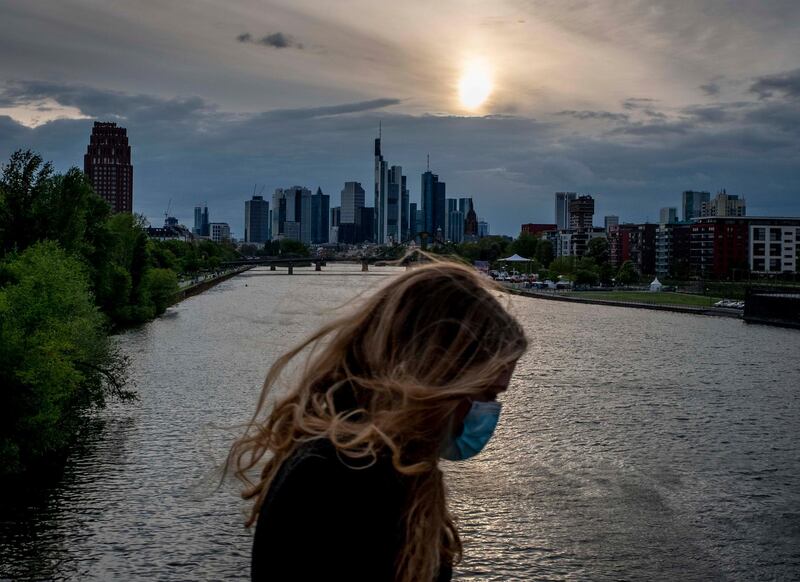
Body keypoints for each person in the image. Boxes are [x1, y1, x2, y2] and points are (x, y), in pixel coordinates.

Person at [228, 257, 528, 582]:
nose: (488, 411)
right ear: (432, 375)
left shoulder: (361, 461)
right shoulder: (345, 479)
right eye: (486, 394)